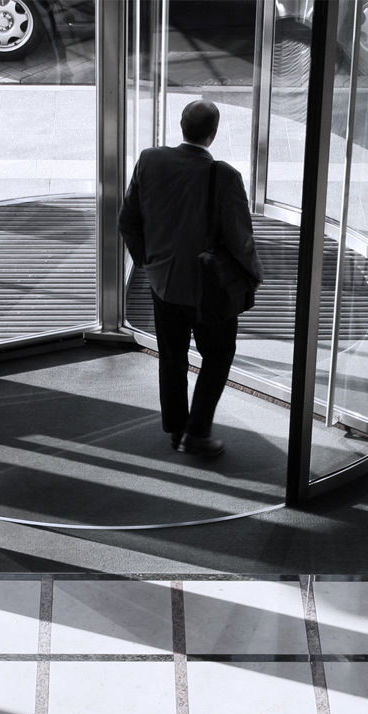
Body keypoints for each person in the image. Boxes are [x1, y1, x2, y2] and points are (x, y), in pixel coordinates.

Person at [118, 99, 264, 458]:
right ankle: (197, 432)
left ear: (181, 126)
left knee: (172, 357)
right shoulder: (225, 176)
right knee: (218, 354)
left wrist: (150, 263)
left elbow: (127, 220)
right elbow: (240, 239)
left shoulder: (150, 159)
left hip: (164, 285)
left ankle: (176, 430)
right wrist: (254, 276)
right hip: (209, 288)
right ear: (212, 135)